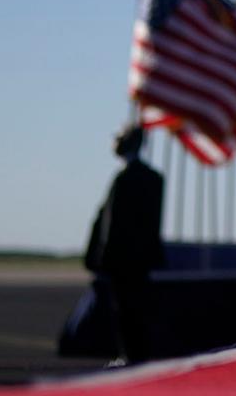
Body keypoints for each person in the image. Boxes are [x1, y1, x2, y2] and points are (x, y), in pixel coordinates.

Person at [84, 124, 166, 365]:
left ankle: (130, 355)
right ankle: (136, 354)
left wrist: (101, 257)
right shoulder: (153, 178)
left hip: (122, 260)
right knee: (138, 309)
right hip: (143, 259)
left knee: (126, 311)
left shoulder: (124, 178)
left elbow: (112, 225)